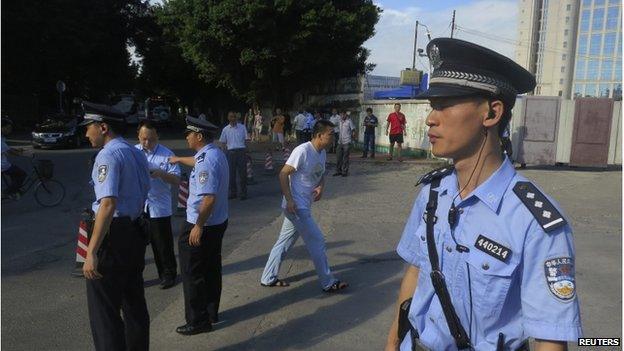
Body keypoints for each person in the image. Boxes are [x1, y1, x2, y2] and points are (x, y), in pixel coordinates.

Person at [385, 38, 582, 351]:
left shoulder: (534, 222)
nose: (432, 118)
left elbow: (549, 338)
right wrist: (392, 344)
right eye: (433, 105)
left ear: (491, 113)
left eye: (445, 104)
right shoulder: (432, 193)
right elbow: (416, 273)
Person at [80, 102, 151, 351]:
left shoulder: (108, 155)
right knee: (133, 303)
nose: (86, 133)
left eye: (89, 127)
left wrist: (91, 252)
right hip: (135, 230)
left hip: (113, 235)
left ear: (103, 127)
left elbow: (108, 203)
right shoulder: (135, 152)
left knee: (105, 312)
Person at [260, 120, 348, 292]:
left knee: (284, 242)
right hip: (296, 207)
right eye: (330, 134)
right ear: (318, 135)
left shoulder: (321, 153)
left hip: (303, 206)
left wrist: (321, 187)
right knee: (317, 240)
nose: (333, 137)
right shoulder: (302, 150)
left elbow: (320, 174)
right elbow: (283, 174)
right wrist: (290, 199)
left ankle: (268, 277)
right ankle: (328, 282)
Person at [169, 116, 229, 335]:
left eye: (189, 133)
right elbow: (197, 162)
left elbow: (208, 198)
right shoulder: (214, 153)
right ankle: (211, 311)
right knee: (212, 268)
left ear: (199, 136)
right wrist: (178, 159)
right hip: (218, 222)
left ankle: (197, 321)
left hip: (201, 223)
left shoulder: (206, 161)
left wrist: (198, 226)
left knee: (192, 272)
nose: (186, 136)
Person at [135, 121, 181, 289]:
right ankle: (135, 278)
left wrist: (162, 174)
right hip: (138, 206)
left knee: (161, 244)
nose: (147, 143)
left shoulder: (167, 154)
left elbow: (177, 180)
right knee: (136, 245)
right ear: (139, 136)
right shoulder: (133, 152)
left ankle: (168, 274)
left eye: (151, 139)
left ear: (157, 137)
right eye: (144, 139)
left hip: (159, 207)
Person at [219, 111, 249, 200]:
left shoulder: (242, 127)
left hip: (241, 152)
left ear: (237, 118)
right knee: (231, 175)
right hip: (230, 153)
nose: (233, 118)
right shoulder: (225, 129)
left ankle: (243, 193)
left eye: (234, 117)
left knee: (243, 174)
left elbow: (246, 140)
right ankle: (233, 193)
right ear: (228, 118)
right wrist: (223, 154)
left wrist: (247, 152)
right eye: (231, 117)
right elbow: (223, 143)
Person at [1, 117, 27, 197]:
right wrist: (25, 154)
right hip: (2, 165)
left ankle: (14, 189)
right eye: (8, 128)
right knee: (22, 174)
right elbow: (10, 152)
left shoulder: (2, 137)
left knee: (15, 173)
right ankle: (8, 192)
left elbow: (6, 148)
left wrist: (17, 149)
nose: (10, 130)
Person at [333, 111, 356, 177]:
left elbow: (353, 130)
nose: (342, 116)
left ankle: (344, 171)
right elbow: (334, 125)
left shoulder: (349, 121)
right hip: (340, 142)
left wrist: (353, 138)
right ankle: (338, 171)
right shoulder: (339, 121)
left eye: (343, 115)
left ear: (345, 115)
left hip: (347, 141)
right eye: (341, 115)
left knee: (345, 158)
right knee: (338, 157)